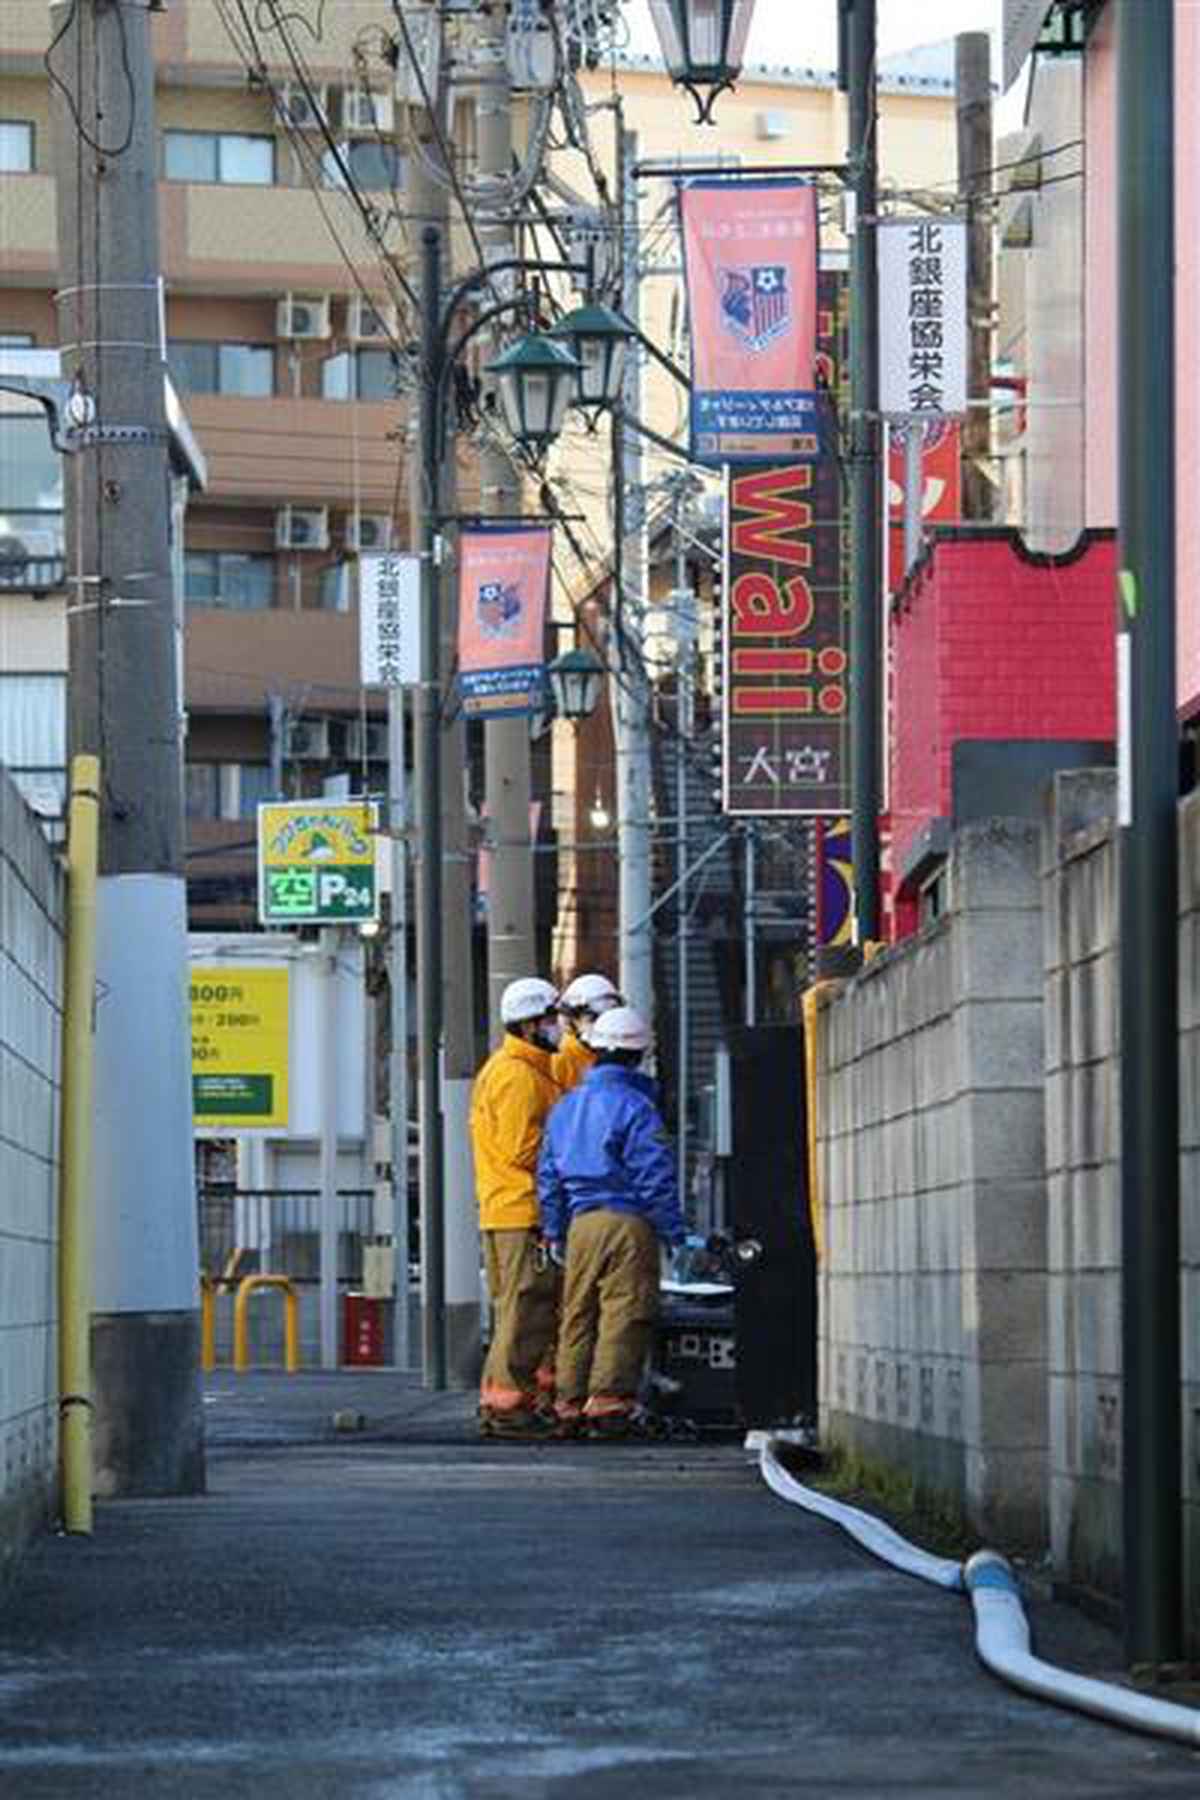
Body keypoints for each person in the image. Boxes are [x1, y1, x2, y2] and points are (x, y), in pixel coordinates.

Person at [537, 1005, 685, 1438]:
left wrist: (554, 1227)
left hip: (580, 1222)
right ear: (639, 1056)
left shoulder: (566, 1106)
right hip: (628, 1221)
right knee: (625, 1311)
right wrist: (674, 1229)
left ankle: (568, 1404)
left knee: (577, 1313)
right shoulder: (637, 1107)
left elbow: (548, 1175)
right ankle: (608, 1404)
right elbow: (652, 1175)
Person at [470, 975, 564, 1437]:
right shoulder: (519, 1076)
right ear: (528, 1025)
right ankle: (509, 1405)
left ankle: (502, 1401)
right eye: (549, 1019)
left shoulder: (515, 1069)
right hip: (520, 1209)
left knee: (515, 1311)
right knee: (526, 1309)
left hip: (504, 1207)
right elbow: (521, 1149)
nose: (556, 1027)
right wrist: (568, 1151)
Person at [552, 971, 622, 1092]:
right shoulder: (560, 1062)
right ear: (572, 1021)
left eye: (607, 1018)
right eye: (593, 1018)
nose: (601, 1026)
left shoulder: (616, 1055)